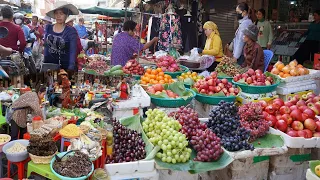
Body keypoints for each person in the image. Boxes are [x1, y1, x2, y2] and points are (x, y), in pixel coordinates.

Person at [44, 1, 79, 71]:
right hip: (49, 66)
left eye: (61, 13)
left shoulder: (71, 31)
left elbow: (72, 52)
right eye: (56, 13)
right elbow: (46, 47)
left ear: (66, 15)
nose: (58, 16)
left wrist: (70, 69)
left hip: (64, 67)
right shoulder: (48, 27)